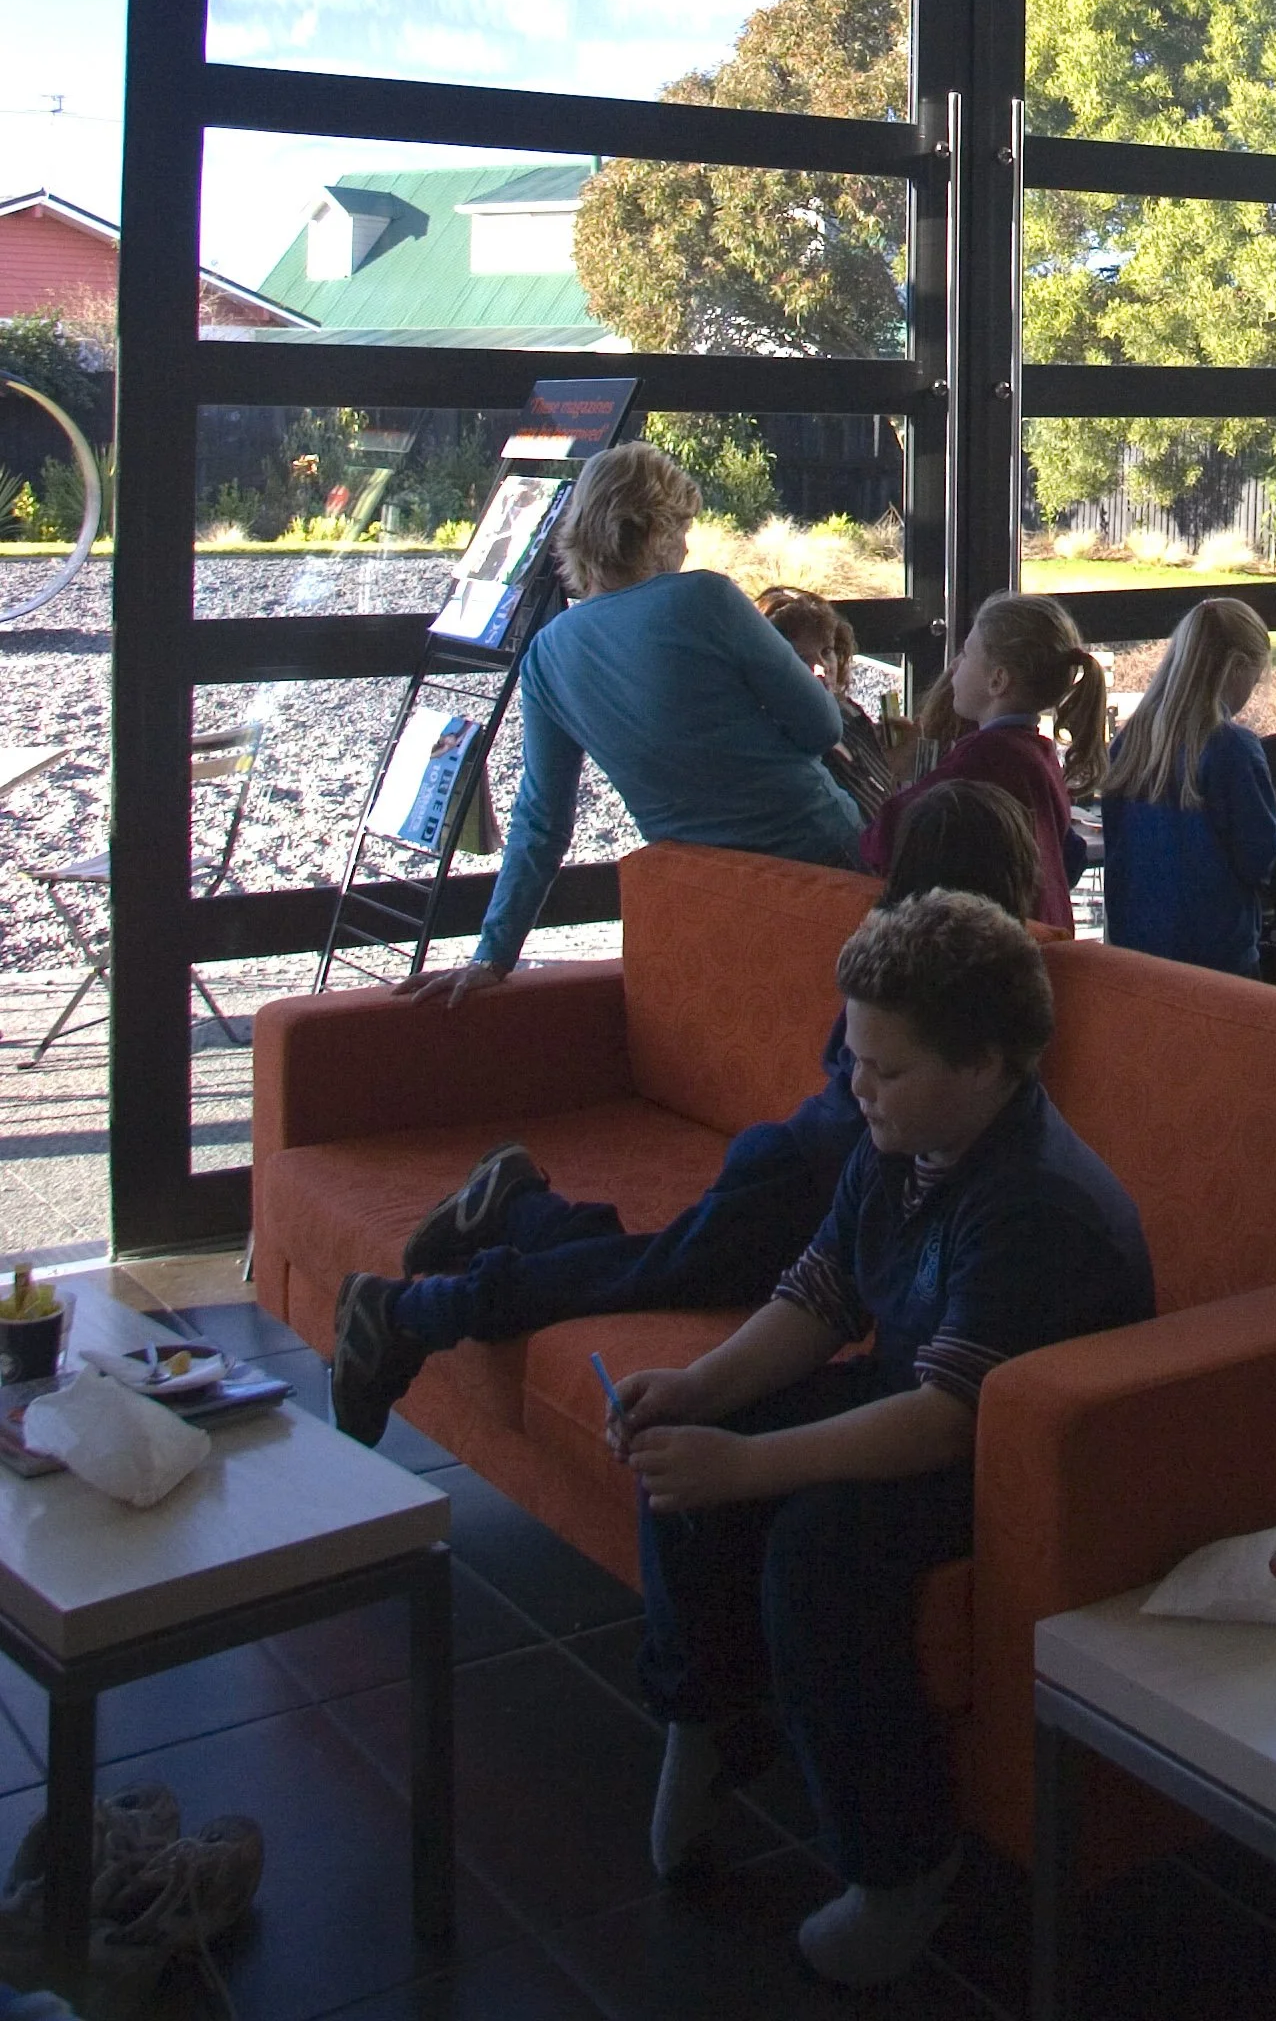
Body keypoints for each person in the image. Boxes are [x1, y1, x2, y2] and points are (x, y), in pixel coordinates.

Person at [617, 891, 1153, 1984]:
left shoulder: (1034, 1202)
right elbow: (821, 1294)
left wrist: (751, 1463)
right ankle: (707, 1716)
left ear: (988, 1064)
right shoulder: (901, 1135)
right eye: (853, 1059)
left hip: (1014, 1462)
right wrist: (699, 1390)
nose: (856, 1086)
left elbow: (949, 1419)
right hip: (918, 1397)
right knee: (689, 1450)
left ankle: (901, 1865)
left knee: (822, 1551)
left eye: (886, 1067)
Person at [330, 782, 1044, 1445]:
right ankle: (408, 1315)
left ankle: (518, 1207)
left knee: (653, 1264)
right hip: (797, 1184)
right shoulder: (943, 992)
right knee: (645, 1275)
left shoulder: (895, 956)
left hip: (793, 1169)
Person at [415, 444, 863, 1006]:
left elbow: (540, 822)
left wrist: (493, 954)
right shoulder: (706, 599)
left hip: (705, 888)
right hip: (819, 855)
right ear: (650, 529)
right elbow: (822, 729)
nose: (686, 545)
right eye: (681, 527)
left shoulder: (547, 657)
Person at [859, 591, 1107, 931]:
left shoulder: (984, 758)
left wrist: (897, 774)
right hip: (1041, 938)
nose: (955, 666)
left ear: (997, 680)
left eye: (965, 653)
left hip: (1002, 949)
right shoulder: (1037, 752)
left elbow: (883, 843)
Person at [1100, 595, 1276, 972]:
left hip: (1132, 955)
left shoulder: (1129, 741)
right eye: (1254, 676)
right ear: (1236, 668)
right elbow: (1262, 860)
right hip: (1216, 962)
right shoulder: (1232, 748)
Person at [757, 585, 894, 823]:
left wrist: (896, 763)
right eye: (800, 659)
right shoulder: (781, 747)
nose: (821, 668)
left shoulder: (851, 714)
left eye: (827, 651)